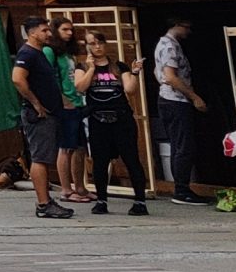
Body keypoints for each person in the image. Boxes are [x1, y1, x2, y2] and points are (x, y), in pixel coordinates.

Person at [82, 36, 150, 216]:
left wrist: (134, 72)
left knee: (131, 159)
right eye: (92, 43)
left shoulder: (119, 67)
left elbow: (130, 90)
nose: (97, 47)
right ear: (87, 47)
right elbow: (80, 87)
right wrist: (90, 69)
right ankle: (101, 200)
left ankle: (140, 201)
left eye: (100, 43)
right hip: (97, 118)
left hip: (121, 118)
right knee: (100, 161)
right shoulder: (82, 67)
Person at [12, 14, 73, 218]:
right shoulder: (27, 53)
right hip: (37, 114)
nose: (48, 33)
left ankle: (46, 200)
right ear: (32, 33)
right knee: (40, 157)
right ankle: (43, 203)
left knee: (45, 156)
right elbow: (18, 79)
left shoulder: (39, 53)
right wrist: (35, 102)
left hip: (51, 112)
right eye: (44, 30)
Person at [154, 15, 211, 204]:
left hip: (168, 98)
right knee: (183, 145)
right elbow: (170, 76)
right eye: (186, 26)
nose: (188, 31)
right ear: (176, 25)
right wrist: (194, 97)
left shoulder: (163, 44)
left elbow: (159, 74)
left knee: (179, 145)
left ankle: (181, 187)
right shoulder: (169, 46)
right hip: (175, 100)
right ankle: (181, 189)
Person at [50, 17, 90, 206]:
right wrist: (62, 99)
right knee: (66, 147)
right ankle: (66, 189)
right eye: (65, 29)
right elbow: (50, 77)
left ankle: (80, 186)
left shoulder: (68, 53)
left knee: (80, 147)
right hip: (65, 104)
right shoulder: (51, 51)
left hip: (77, 101)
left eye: (71, 30)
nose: (69, 33)